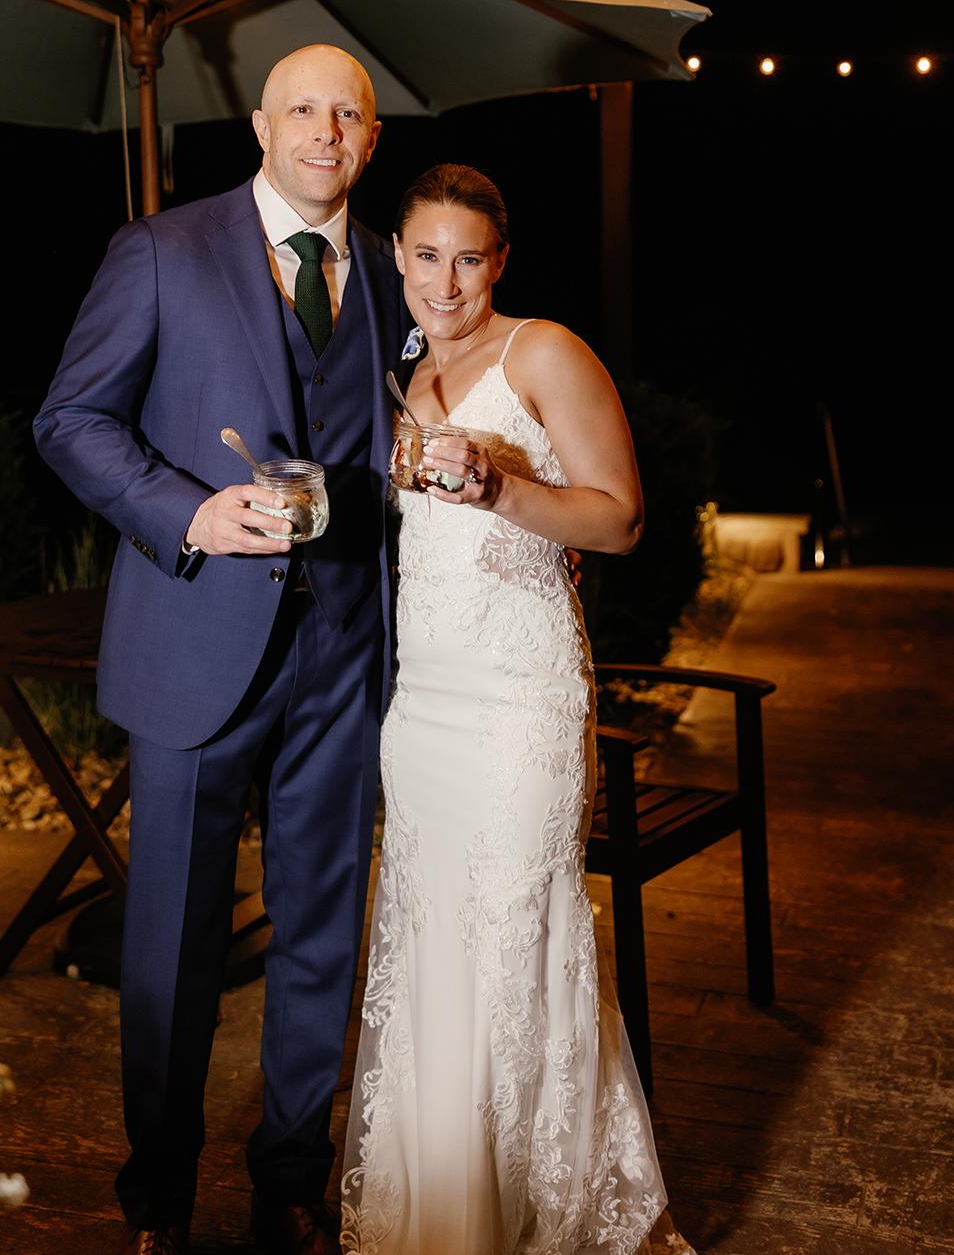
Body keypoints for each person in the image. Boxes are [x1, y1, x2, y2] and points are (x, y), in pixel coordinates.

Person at [34, 46, 405, 1255]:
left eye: (348, 113)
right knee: (174, 942)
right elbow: (71, 421)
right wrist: (185, 512)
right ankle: (162, 1193)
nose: (325, 130)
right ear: (259, 122)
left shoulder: (398, 274)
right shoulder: (161, 251)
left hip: (346, 650)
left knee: (321, 929)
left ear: (371, 138)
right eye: (304, 107)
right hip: (196, 645)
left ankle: (289, 1176)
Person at [340, 164, 695, 1255]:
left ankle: (533, 1214)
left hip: (519, 705)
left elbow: (622, 520)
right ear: (394, 257)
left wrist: (503, 489)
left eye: (471, 258)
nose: (447, 282)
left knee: (511, 945)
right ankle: (438, 1207)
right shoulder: (396, 373)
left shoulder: (542, 350)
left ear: (501, 263)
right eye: (427, 256)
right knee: (430, 942)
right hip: (425, 707)